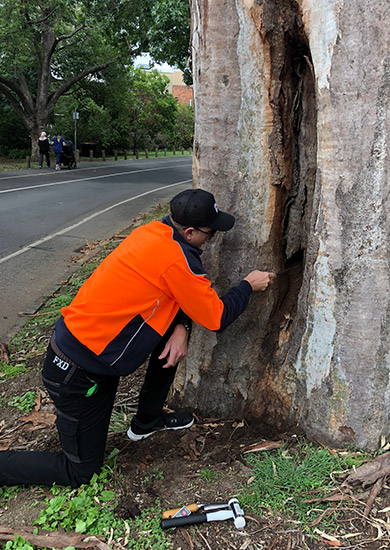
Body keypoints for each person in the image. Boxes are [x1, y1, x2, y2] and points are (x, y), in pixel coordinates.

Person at [0, 189, 275, 488]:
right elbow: (216, 318)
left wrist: (181, 327)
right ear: (191, 232)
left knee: (170, 335)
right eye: (211, 234)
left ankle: (147, 421)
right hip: (76, 373)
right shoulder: (177, 261)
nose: (211, 240)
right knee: (80, 472)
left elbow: (171, 292)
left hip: (89, 353)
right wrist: (248, 285)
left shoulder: (152, 232)